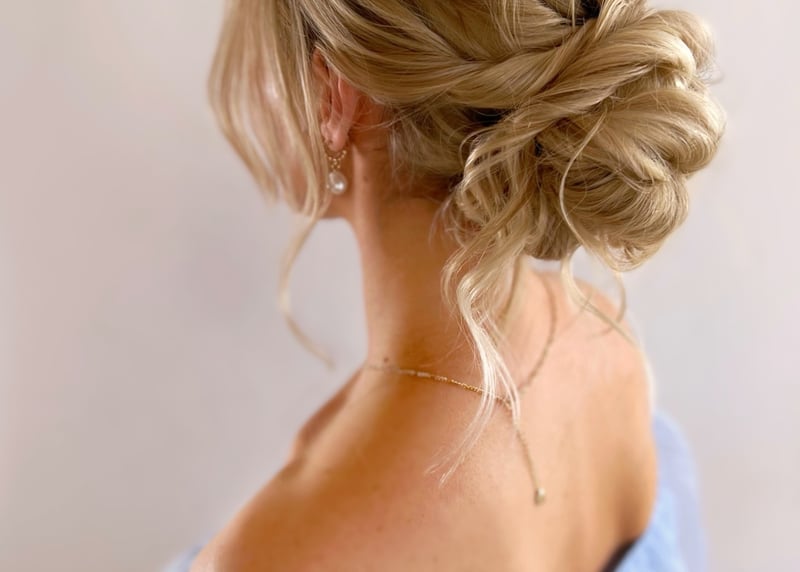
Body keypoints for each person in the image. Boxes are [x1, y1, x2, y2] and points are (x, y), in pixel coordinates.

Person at [166, 0, 725, 570]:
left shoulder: (280, 555)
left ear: (333, 97)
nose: (260, 88)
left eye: (268, 52)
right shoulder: (606, 347)